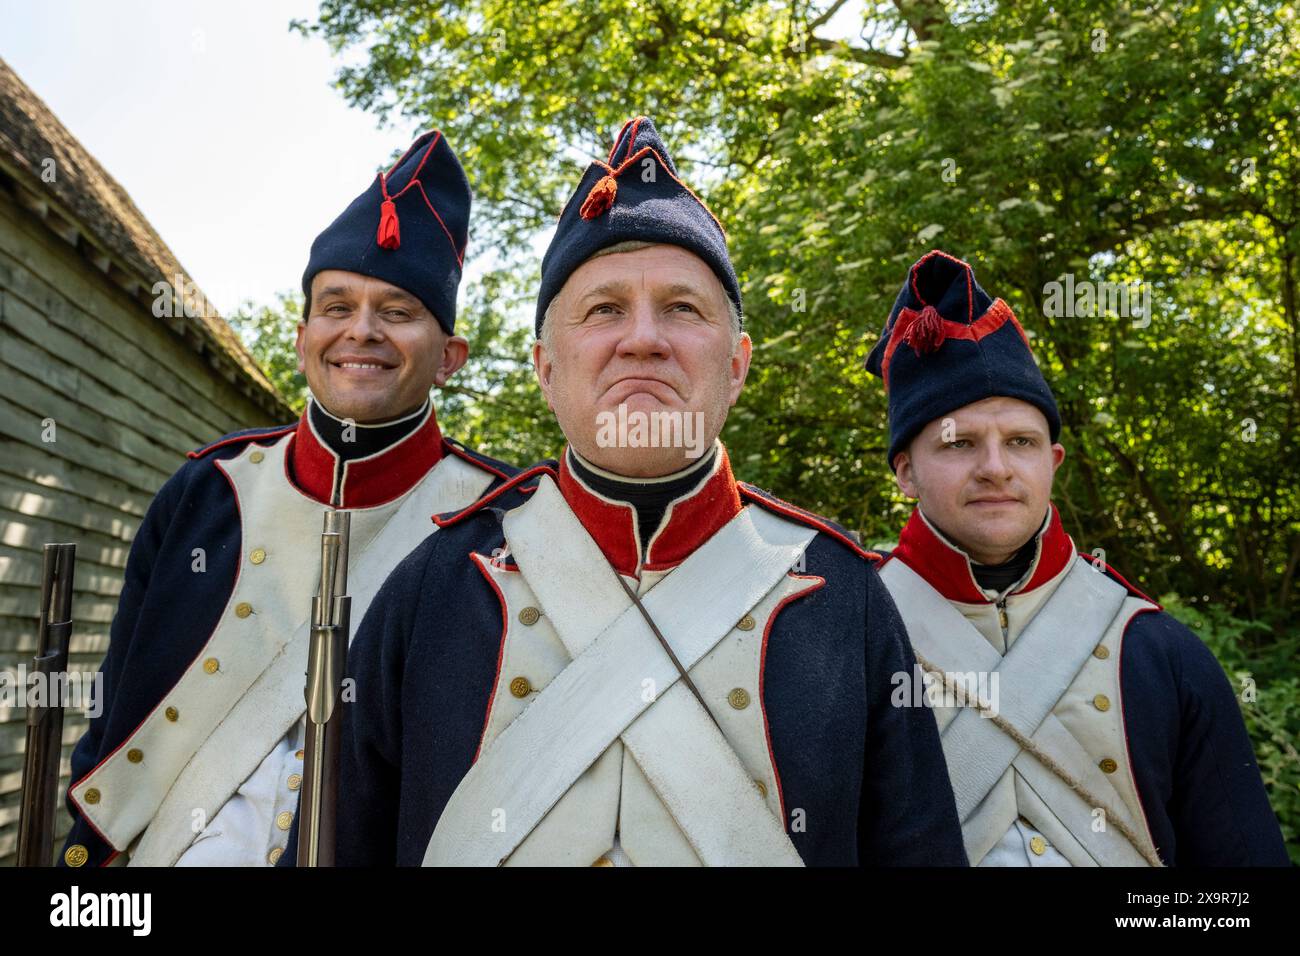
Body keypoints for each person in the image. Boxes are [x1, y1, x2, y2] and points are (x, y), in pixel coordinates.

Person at [284, 116, 967, 866]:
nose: (643, 338)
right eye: (605, 309)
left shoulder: (845, 597)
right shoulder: (433, 585)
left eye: (682, 308)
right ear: (546, 367)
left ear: (736, 365)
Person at [58, 130, 517, 867]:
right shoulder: (205, 493)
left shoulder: (502, 524)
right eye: (337, 306)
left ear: (449, 360)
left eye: (397, 311)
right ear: (304, 336)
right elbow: (114, 713)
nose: (360, 331)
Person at [863, 249, 1290, 866]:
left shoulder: (1159, 649)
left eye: (1021, 442)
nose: (995, 468)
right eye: (959, 444)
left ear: (1052, 463)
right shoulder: (845, 631)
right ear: (905, 469)